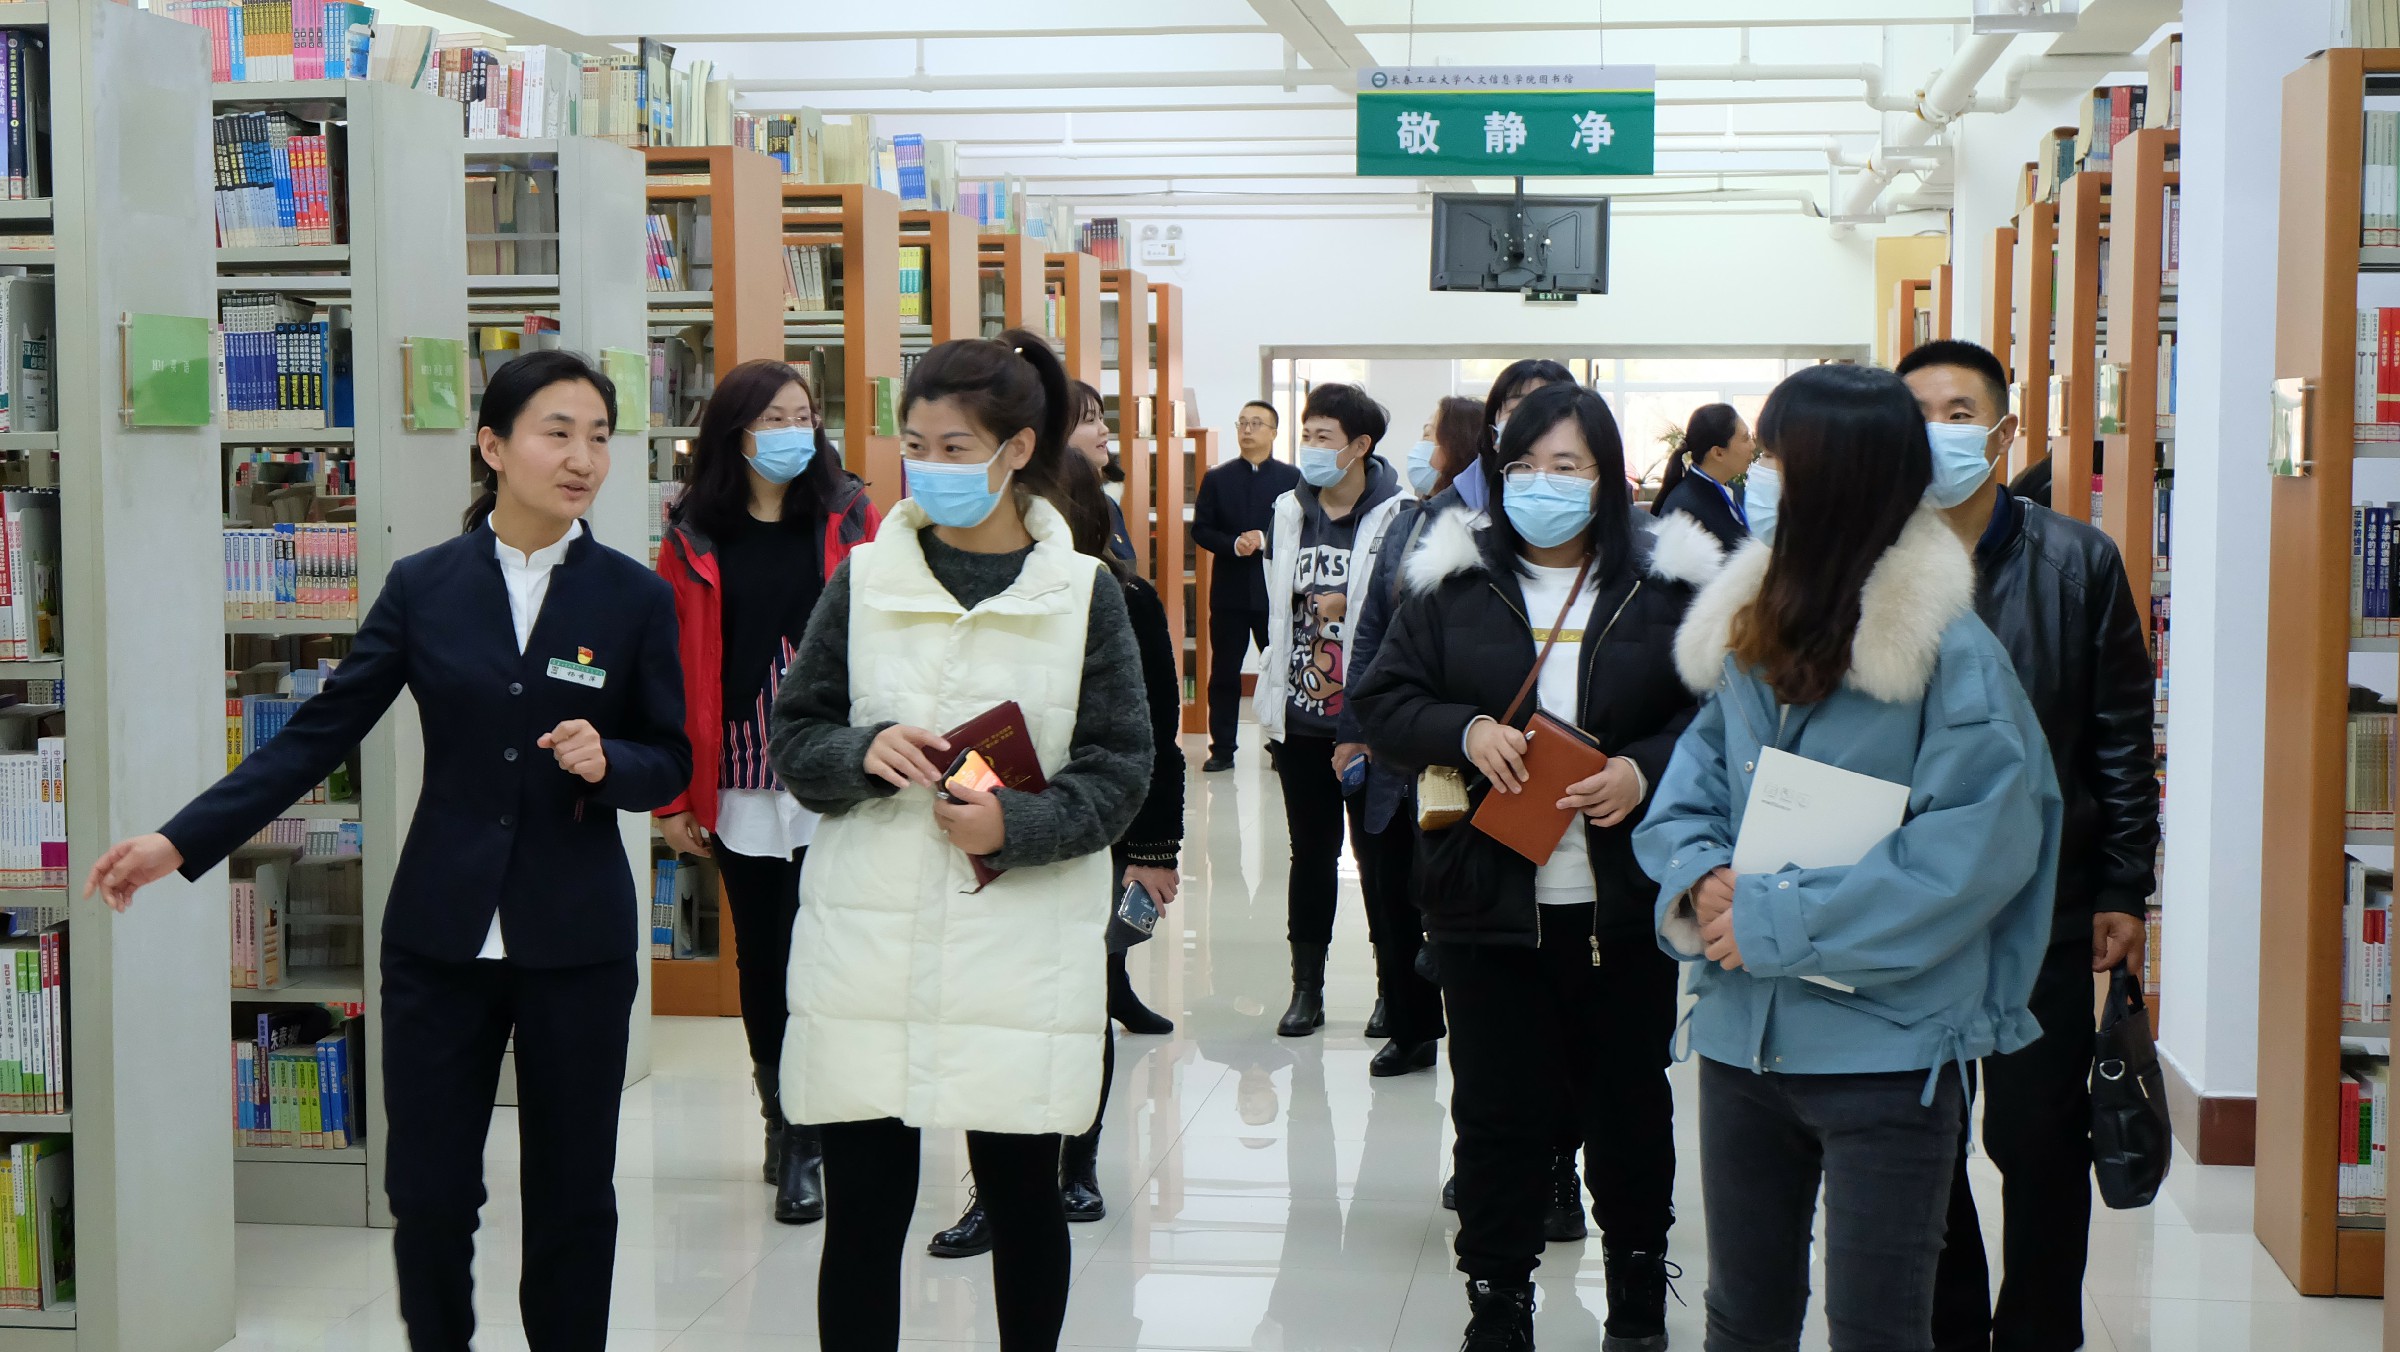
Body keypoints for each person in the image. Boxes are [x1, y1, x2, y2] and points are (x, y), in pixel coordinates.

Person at [86, 352, 692, 1351]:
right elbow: (315, 736)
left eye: (599, 436)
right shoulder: (425, 586)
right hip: (439, 940)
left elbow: (670, 759)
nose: (583, 457)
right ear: (493, 445)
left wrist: (611, 760)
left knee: (575, 1194)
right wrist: (179, 840)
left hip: (576, 942)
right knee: (430, 1193)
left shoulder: (634, 596)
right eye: (557, 432)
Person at [1634, 362, 2064, 1352]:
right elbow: (1690, 790)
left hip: (1889, 1054)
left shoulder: (1951, 656)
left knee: (1876, 1324)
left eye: (1781, 458)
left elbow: (1972, 855)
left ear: (1844, 476)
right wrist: (1701, 879)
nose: (1761, 476)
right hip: (1743, 1041)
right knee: (1743, 1316)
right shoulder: (1754, 628)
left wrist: (1774, 919)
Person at [767, 330, 1151, 1352]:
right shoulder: (863, 579)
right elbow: (795, 737)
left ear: (1017, 449)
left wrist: (1016, 823)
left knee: (1023, 1198)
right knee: (865, 1210)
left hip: (1017, 944)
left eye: (955, 447)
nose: (930, 467)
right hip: (871, 940)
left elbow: (1121, 767)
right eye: (915, 446)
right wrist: (861, 750)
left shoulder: (1083, 593)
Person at [1355, 381, 1721, 1352]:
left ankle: (1637, 1291)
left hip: (1624, 901)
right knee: (1496, 1115)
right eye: (1522, 465)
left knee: (1630, 1106)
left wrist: (1641, 771)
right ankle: (1498, 1298)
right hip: (1487, 899)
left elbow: (1717, 715)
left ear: (1607, 478)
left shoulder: (1667, 583)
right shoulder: (1452, 578)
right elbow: (1380, 701)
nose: (1541, 484)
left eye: (1566, 466)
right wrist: (1465, 729)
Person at [1898, 339, 2159, 1352]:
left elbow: (2120, 739)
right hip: (1908, 906)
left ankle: (2042, 1331)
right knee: (1920, 1133)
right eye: (1917, 414)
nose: (1937, 433)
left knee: (2038, 1139)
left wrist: (2125, 886)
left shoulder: (2077, 562)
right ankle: (1949, 1324)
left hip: (2042, 901)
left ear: (2004, 433)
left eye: (1958, 413)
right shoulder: (1869, 567)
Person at [929, 405, 1187, 1255]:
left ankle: (1077, 1165)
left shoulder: (1124, 598)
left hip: (1091, 832)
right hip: (987, 832)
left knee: (1081, 1002)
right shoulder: (982, 599)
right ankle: (992, 1188)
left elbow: (1156, 741)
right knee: (990, 1013)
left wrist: (1153, 854)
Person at [654, 359, 879, 1226]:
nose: (795, 432)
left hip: (834, 764)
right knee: (765, 954)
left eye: (805, 415)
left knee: (834, 950)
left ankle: (824, 1120)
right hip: (739, 769)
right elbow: (670, 668)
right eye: (775, 418)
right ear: (734, 433)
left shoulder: (849, 515)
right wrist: (676, 795)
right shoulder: (691, 534)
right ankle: (787, 1128)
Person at [1256, 382, 1408, 1038]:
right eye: (1307, 434)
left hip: (1369, 725)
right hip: (1301, 719)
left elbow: (1400, 619)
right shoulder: (1288, 511)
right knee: (1310, 854)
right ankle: (1306, 989)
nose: (1311, 447)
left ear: (1360, 445)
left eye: (1325, 437)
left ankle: (1391, 988)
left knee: (1379, 861)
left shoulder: (1398, 515)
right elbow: (1276, 609)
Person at [1193, 400, 1301, 772]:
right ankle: (1222, 748)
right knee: (1225, 673)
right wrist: (1233, 544)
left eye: (1256, 423)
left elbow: (1302, 527)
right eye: (1242, 423)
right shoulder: (1217, 478)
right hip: (1230, 593)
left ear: (1274, 432)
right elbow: (1201, 529)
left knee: (1280, 671)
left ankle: (1282, 745)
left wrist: (1265, 539)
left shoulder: (1293, 479)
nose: (1247, 430)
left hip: (1275, 593)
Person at [1651, 402, 1757, 550]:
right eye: (1746, 438)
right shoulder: (1684, 511)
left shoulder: (1736, 492)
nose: (1753, 446)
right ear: (1718, 453)